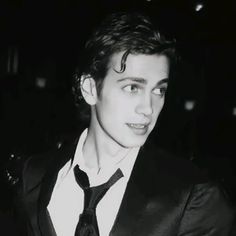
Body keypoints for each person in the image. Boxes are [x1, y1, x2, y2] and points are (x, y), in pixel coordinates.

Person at [14, 12, 234, 236]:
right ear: (90, 89)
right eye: (132, 87)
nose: (148, 108)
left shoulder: (194, 198)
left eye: (159, 90)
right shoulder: (34, 176)